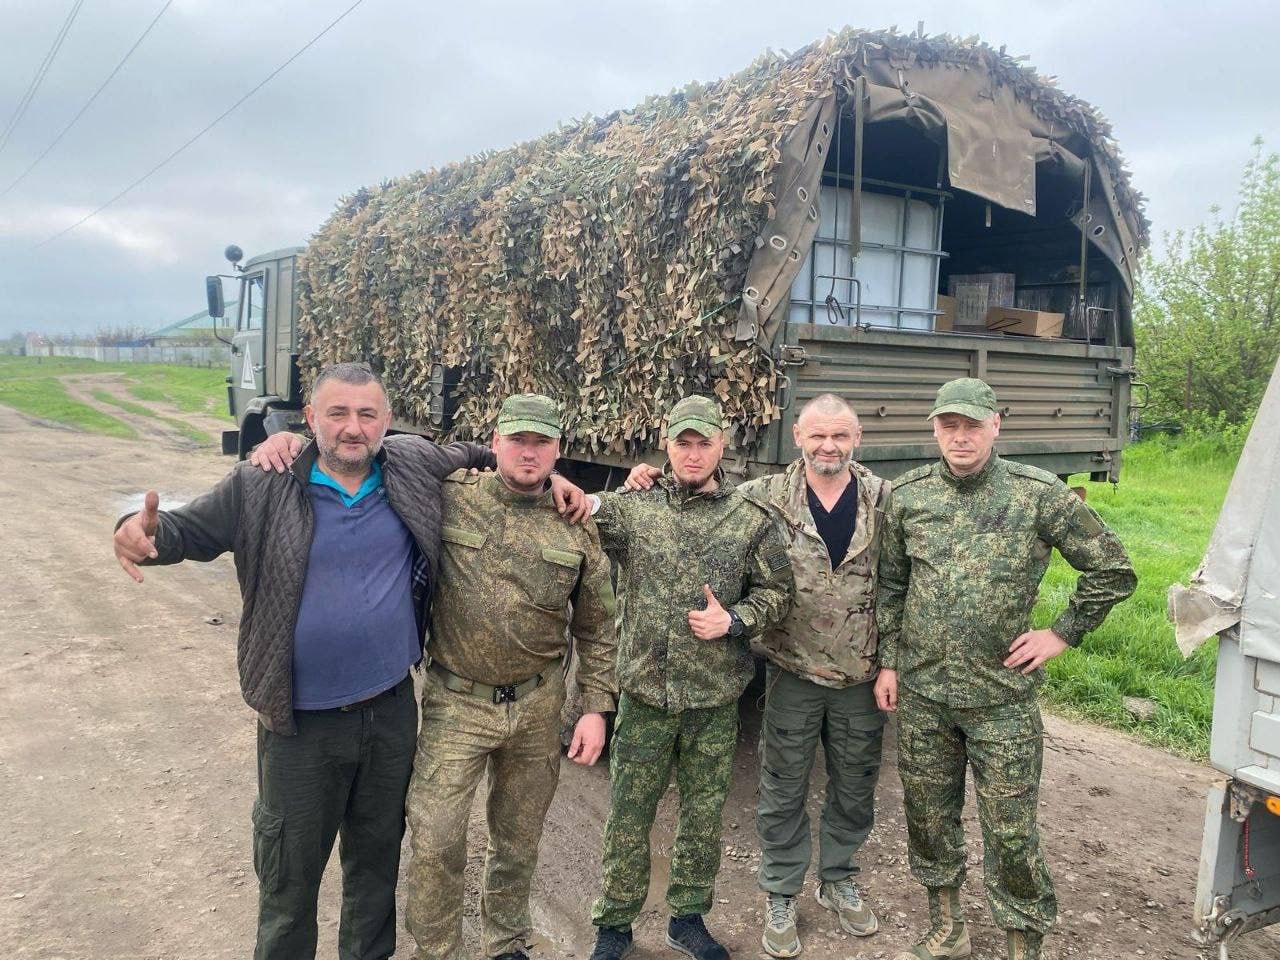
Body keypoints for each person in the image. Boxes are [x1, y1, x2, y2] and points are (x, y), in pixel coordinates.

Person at [112, 362, 497, 960]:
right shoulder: (262, 483)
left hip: (391, 714)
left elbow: (490, 456)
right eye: (337, 413)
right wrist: (138, 534)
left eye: (367, 415)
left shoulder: (413, 465)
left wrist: (557, 484)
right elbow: (184, 530)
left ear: (387, 423)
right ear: (309, 418)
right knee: (289, 884)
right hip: (299, 726)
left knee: (375, 871)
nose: (353, 428)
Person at [249, 393, 610, 960]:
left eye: (542, 442)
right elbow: (367, 456)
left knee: (517, 843)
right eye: (518, 439)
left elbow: (597, 624)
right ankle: (437, 950)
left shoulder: (576, 522)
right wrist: (291, 442)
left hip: (539, 705)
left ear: (558, 450)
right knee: (436, 840)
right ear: (495, 444)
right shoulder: (450, 497)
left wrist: (594, 705)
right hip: (457, 702)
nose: (529, 452)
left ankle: (505, 944)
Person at [874, 378, 1137, 960]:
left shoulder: (1036, 494)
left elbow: (1113, 571)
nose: (960, 437)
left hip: (1002, 698)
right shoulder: (908, 495)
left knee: (1013, 830)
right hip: (923, 694)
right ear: (936, 430)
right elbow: (891, 585)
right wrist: (889, 662)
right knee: (928, 818)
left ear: (996, 425)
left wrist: (1061, 633)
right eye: (950, 426)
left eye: (972, 425)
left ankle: (1023, 941)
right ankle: (947, 926)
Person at [622, 393, 890, 958]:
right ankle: (782, 891)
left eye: (840, 436)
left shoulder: (885, 500)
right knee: (783, 787)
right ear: (798, 436)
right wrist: (645, 480)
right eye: (818, 435)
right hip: (791, 668)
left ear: (857, 438)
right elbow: (696, 506)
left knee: (854, 784)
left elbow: (899, 584)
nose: (828, 446)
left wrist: (891, 661)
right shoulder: (761, 496)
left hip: (859, 672)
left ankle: (838, 876)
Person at [586, 395, 794, 960]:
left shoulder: (749, 520)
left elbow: (778, 593)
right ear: (667, 444)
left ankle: (688, 917)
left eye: (705, 442)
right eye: (684, 442)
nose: (694, 453)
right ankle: (615, 923)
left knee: (703, 817)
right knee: (630, 814)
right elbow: (574, 512)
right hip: (647, 694)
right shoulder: (634, 508)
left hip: (713, 698)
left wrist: (735, 620)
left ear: (722, 445)